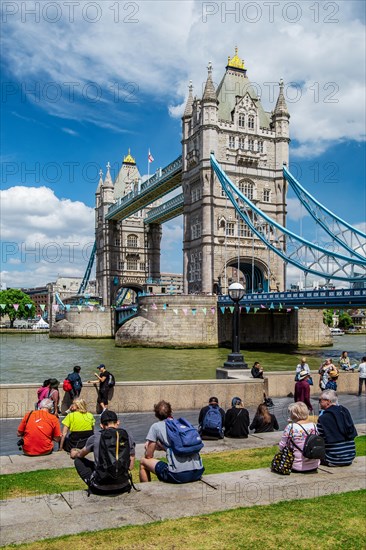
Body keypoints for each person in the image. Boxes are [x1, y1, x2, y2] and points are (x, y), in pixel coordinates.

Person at [70, 410, 135, 494]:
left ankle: (92, 483)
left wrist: (74, 453)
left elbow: (81, 455)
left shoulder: (95, 437)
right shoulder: (127, 436)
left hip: (100, 488)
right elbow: (131, 465)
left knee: (78, 461)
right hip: (123, 485)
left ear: (101, 425)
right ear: (118, 422)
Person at [139, 400, 204, 484]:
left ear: (156, 414)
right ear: (171, 411)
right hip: (198, 471)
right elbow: (179, 448)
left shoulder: (156, 427)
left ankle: (146, 492)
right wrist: (164, 448)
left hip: (178, 475)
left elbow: (149, 455)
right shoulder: (181, 424)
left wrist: (149, 446)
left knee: (143, 462)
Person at [317, 390, 357, 466]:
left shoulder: (323, 418)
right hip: (350, 456)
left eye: (320, 400)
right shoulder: (345, 411)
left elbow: (319, 438)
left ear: (328, 402)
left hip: (333, 458)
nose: (319, 403)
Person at [279, 402, 320, 473]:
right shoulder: (314, 426)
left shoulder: (291, 427)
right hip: (314, 465)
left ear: (294, 414)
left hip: (297, 466)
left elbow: (282, 446)